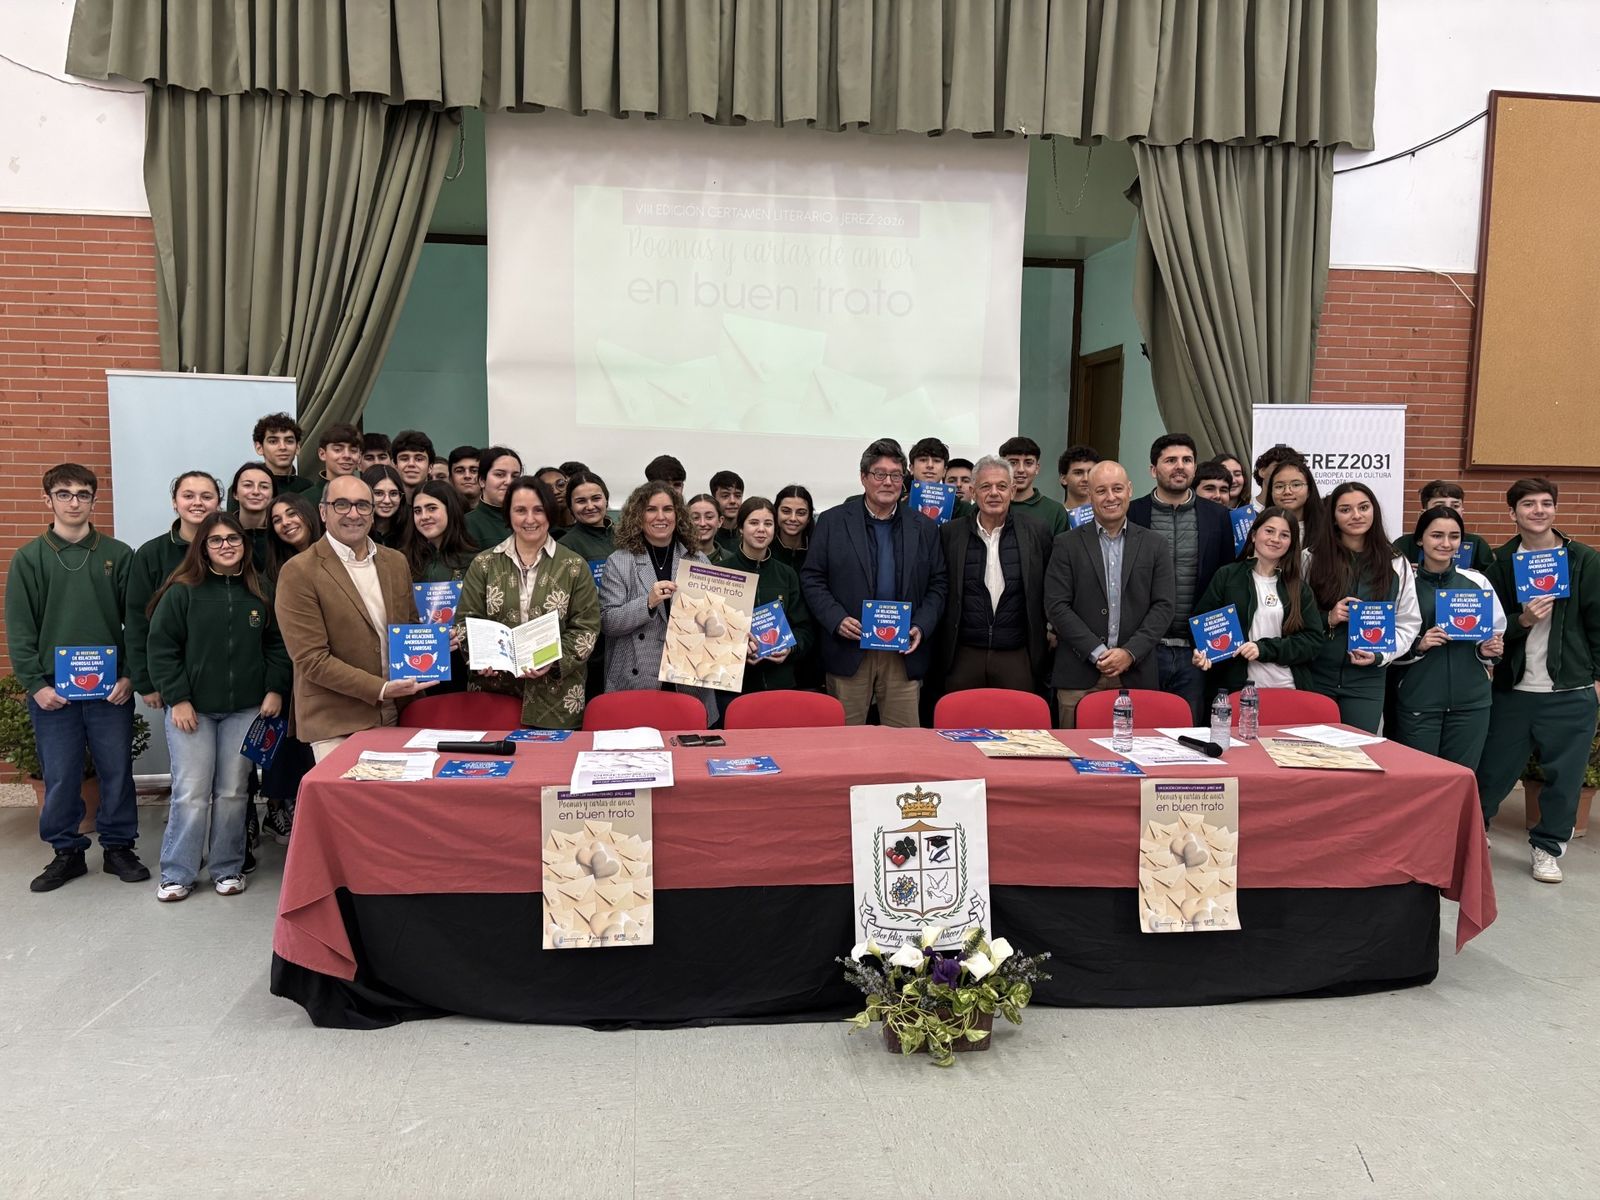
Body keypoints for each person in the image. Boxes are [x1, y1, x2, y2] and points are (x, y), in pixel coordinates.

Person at [5, 464, 147, 892]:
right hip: (53, 693)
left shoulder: (118, 555)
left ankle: (119, 846)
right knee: (62, 774)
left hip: (111, 692)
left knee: (117, 770)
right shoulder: (29, 559)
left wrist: (129, 676)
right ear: (47, 500)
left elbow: (136, 623)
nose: (73, 502)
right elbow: (20, 628)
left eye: (82, 494)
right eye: (64, 494)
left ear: (93, 501)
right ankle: (66, 852)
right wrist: (36, 685)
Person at [145, 513, 289, 900]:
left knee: (232, 792)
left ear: (244, 544)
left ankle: (228, 867)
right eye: (216, 540)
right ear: (202, 547)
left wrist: (275, 689)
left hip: (246, 710)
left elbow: (278, 646)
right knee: (191, 792)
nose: (227, 545)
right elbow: (161, 649)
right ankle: (177, 873)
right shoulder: (182, 591)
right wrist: (178, 698)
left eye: (234, 539)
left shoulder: (261, 591)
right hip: (191, 711)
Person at [1476, 478, 1600, 884]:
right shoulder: (1498, 565)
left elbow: (1598, 624)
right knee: (1491, 772)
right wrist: (1523, 620)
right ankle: (1475, 836)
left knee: (1565, 780)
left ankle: (1547, 849)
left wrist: (1597, 680)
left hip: (1570, 691)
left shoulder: (1582, 560)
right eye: (1529, 504)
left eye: (1547, 503)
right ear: (1513, 513)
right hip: (1514, 690)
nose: (1539, 511)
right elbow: (1490, 629)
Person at [274, 475, 434, 760]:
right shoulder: (298, 571)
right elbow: (311, 660)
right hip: (337, 719)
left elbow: (409, 628)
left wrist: (434, 645)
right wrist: (381, 688)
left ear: (373, 514)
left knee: (395, 803)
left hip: (399, 709)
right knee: (349, 804)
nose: (353, 513)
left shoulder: (395, 561)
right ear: (323, 512)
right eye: (342, 504)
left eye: (362, 505)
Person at [800, 439, 947, 727]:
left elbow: (939, 583)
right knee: (844, 746)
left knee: (904, 748)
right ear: (864, 477)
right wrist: (836, 618)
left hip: (903, 654)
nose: (888, 482)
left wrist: (921, 625)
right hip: (849, 649)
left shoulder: (924, 527)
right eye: (880, 474)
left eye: (895, 474)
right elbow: (812, 577)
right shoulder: (832, 522)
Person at [457, 475, 601, 729]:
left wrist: (551, 659)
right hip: (494, 694)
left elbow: (586, 627)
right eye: (520, 510)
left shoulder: (574, 566)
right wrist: (480, 657)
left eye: (538, 510)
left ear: (550, 513)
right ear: (508, 514)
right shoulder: (484, 564)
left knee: (551, 768)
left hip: (557, 699)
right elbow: (465, 621)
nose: (530, 519)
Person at [1044, 460, 1175, 728]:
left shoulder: (1155, 545)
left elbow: (1163, 607)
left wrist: (1129, 652)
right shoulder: (1065, 544)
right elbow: (1056, 606)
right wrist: (1096, 651)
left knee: (1137, 757)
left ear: (1130, 490)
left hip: (1136, 673)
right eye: (1101, 490)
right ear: (1089, 495)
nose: (1110, 497)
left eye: (1117, 488)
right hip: (1078, 675)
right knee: (1074, 760)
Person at [1127, 434, 1238, 720]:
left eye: (1187, 460)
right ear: (1153, 469)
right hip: (1144, 649)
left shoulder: (1218, 516)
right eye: (1170, 460)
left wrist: (1215, 645)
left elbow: (1226, 579)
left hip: (1196, 652)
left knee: (1189, 733)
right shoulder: (1133, 513)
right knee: (1142, 730)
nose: (1180, 466)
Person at [1390, 506, 1506, 772]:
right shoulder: (1403, 583)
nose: (1445, 543)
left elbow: (1495, 633)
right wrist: (1418, 644)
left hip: (1472, 702)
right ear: (1420, 539)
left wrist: (1489, 650)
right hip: (1419, 698)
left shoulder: (1476, 583)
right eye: (1436, 535)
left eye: (1453, 536)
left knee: (1460, 778)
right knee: (1419, 780)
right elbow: (1389, 640)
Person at [1304, 482, 1421, 732]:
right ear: (1333, 517)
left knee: (1358, 756)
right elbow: (1293, 615)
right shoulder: (1310, 558)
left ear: (1374, 512)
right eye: (1345, 509)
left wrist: (1381, 656)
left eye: (1363, 507)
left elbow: (1408, 622)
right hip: (1316, 675)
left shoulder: (1396, 562)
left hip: (1367, 680)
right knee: (1312, 755)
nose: (1356, 515)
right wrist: (1328, 618)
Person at [599, 482, 719, 722]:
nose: (661, 517)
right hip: (637, 680)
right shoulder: (619, 561)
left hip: (689, 681)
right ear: (638, 515)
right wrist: (647, 603)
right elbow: (608, 622)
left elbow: (713, 622)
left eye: (668, 509)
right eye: (651, 509)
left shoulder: (698, 559)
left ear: (678, 515)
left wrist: (733, 635)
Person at [934, 456, 1053, 695]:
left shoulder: (1036, 531)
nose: (994, 493)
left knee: (1019, 728)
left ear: (1012, 489)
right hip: (963, 652)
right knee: (955, 726)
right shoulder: (950, 533)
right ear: (972, 491)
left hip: (1017, 652)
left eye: (1001, 486)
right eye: (985, 486)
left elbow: (1049, 587)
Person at [1189, 507, 1325, 693]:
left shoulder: (1299, 588)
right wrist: (1202, 652)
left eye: (1284, 535)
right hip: (1239, 690)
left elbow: (1313, 642)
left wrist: (1263, 649)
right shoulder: (1227, 576)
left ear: (1291, 543)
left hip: (1288, 687)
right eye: (1269, 531)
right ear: (1253, 535)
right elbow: (1204, 625)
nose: (1275, 539)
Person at [127, 471, 222, 711]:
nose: (197, 503)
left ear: (218, 503)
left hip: (229, 683)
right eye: (188, 495)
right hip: (173, 680)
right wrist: (146, 683)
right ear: (174, 502)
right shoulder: (152, 554)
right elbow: (137, 620)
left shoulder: (232, 550)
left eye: (206, 496)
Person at [258, 492, 321, 844]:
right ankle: (284, 809)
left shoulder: (336, 557)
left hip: (329, 669)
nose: (285, 523)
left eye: (292, 514)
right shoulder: (274, 571)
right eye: (277, 520)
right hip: (288, 672)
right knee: (287, 746)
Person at [719, 498, 817, 693]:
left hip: (780, 682)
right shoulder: (721, 573)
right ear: (740, 528)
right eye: (754, 523)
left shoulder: (787, 574)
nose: (761, 529)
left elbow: (804, 628)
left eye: (768, 523)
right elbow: (706, 631)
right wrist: (736, 647)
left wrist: (790, 649)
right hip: (734, 686)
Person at [558, 471, 617, 700]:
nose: (590, 506)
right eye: (581, 501)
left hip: (625, 640)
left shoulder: (625, 536)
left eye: (596, 498)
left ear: (606, 500)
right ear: (571, 507)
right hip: (591, 648)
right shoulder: (565, 546)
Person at [1390, 480, 1497, 571]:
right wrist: (1408, 575)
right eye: (1439, 505)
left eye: (1455, 506)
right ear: (1423, 513)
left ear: (1462, 512)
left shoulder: (1477, 544)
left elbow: (1492, 583)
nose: (1448, 510)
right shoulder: (1403, 544)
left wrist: (1478, 577)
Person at [1000, 436, 1069, 537]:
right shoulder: (988, 506)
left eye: (1028, 463)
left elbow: (1060, 552)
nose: (1021, 469)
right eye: (1013, 463)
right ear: (1001, 466)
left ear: (1037, 468)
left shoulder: (1055, 511)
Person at [1262, 456, 1326, 548]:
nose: (1287, 491)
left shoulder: (1327, 528)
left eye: (1296, 485)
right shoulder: (1260, 527)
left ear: (1309, 491)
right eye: (1279, 486)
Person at [465, 445, 522, 550]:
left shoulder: (530, 520)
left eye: (515, 476)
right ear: (482, 480)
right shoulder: (467, 525)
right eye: (500, 475)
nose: (509, 481)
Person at [252, 412, 314, 495]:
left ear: (297, 448)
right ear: (259, 448)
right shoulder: (247, 488)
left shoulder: (308, 488)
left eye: (289, 441)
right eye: (273, 441)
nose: (283, 447)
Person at [229, 461, 275, 565]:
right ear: (235, 493)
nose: (256, 492)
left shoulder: (281, 531)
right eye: (248, 485)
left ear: (273, 496)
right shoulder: (223, 532)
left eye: (264, 487)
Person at [306, 422, 363, 503]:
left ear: (359, 457)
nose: (347, 455)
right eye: (337, 450)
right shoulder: (305, 500)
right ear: (322, 454)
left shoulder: (365, 494)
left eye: (353, 451)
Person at [362, 464, 408, 548]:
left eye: (393, 493)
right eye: (378, 493)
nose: (387, 500)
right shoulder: (355, 533)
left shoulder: (410, 532)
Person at [772, 485, 815, 573]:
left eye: (801, 513)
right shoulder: (763, 549)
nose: (793, 518)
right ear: (776, 513)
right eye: (786, 511)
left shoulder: (818, 551)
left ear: (809, 518)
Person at [1058, 445, 1100, 518]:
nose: (1086, 479)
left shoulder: (1106, 516)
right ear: (1063, 479)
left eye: (1091, 472)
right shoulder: (1055, 518)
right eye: (1078, 473)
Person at [391, 430, 435, 497]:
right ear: (395, 465)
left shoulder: (444, 505)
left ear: (430, 467)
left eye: (419, 459)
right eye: (404, 459)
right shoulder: (385, 504)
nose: (411, 464)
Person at [710, 470, 744, 549]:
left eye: (737, 496)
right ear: (714, 498)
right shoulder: (706, 537)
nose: (732, 501)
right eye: (725, 496)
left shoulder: (750, 537)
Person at [686, 493, 723, 560]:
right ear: (686, 522)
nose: (702, 523)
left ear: (720, 521)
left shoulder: (731, 560)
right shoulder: (675, 558)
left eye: (709, 517)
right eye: (695, 517)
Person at [447, 444, 481, 511]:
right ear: (450, 479)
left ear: (483, 478)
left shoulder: (500, 514)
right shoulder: (443, 514)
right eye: (460, 471)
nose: (467, 476)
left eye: (474, 471)